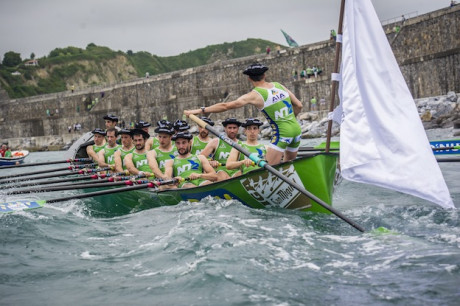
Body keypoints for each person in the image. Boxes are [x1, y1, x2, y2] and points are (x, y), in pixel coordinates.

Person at [185, 63, 302, 165]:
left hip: (282, 133)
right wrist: (290, 120)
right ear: (264, 75)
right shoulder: (279, 85)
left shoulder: (254, 95)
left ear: (249, 79)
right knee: (288, 166)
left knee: (270, 170)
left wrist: (199, 111)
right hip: (296, 129)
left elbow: (226, 106)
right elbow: (298, 105)